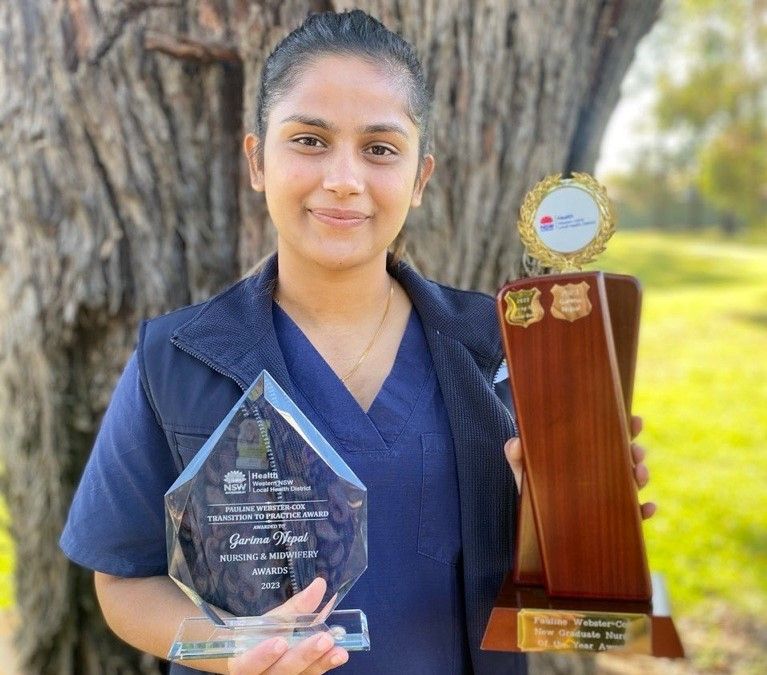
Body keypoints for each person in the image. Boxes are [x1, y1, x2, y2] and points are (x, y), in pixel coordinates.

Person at [59, 9, 654, 675]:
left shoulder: (504, 348)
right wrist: (227, 647)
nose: (343, 177)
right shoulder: (173, 360)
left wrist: (574, 519)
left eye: (379, 148)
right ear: (257, 160)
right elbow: (121, 582)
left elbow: (554, 591)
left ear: (419, 178)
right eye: (309, 140)